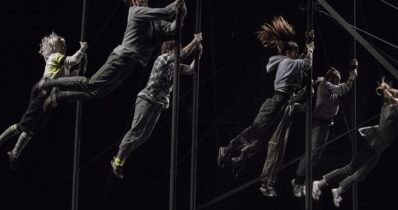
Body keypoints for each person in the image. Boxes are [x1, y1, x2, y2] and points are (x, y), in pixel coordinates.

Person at [33, 0, 186, 110]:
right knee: (91, 83)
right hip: (121, 59)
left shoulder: (153, 20)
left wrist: (182, 13)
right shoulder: (136, 11)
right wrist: (178, 4)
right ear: (134, 2)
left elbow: (172, 28)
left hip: (131, 63)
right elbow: (167, 11)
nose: (145, 0)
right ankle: (50, 83)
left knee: (99, 92)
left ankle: (60, 95)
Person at [216, 16, 314, 171]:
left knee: (265, 139)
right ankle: (227, 149)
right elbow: (307, 63)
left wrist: (308, 42)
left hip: (282, 104)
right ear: (288, 53)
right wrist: (311, 48)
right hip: (277, 102)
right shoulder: (288, 62)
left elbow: (302, 58)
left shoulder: (290, 61)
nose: (297, 54)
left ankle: (239, 159)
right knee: (255, 131)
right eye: (295, 52)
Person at [312, 79, 398, 207]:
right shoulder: (390, 109)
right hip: (371, 148)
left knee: (361, 174)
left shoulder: (395, 112)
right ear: (392, 99)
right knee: (349, 169)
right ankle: (319, 183)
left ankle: (338, 190)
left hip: (377, 150)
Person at [110, 33, 203, 178]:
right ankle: (118, 159)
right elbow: (183, 54)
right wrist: (195, 41)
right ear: (170, 50)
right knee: (136, 130)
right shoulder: (162, 59)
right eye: (176, 49)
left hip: (158, 104)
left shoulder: (174, 66)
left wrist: (198, 54)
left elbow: (191, 70)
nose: (178, 51)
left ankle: (120, 159)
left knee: (144, 136)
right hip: (147, 99)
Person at [0, 32, 87, 169]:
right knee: (23, 124)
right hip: (43, 95)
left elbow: (74, 75)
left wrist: (83, 64)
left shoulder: (64, 65)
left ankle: (14, 153)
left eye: (64, 44)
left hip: (49, 101)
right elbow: (73, 60)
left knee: (32, 129)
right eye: (60, 43)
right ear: (53, 46)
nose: (64, 46)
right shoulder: (55, 57)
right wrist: (82, 50)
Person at [286, 60, 359, 198]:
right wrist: (352, 76)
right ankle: (297, 181)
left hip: (326, 124)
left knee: (316, 156)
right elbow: (343, 88)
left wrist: (352, 74)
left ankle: (300, 180)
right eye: (337, 80)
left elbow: (341, 89)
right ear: (331, 78)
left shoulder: (331, 87)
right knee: (311, 153)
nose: (338, 82)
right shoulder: (325, 85)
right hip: (318, 123)